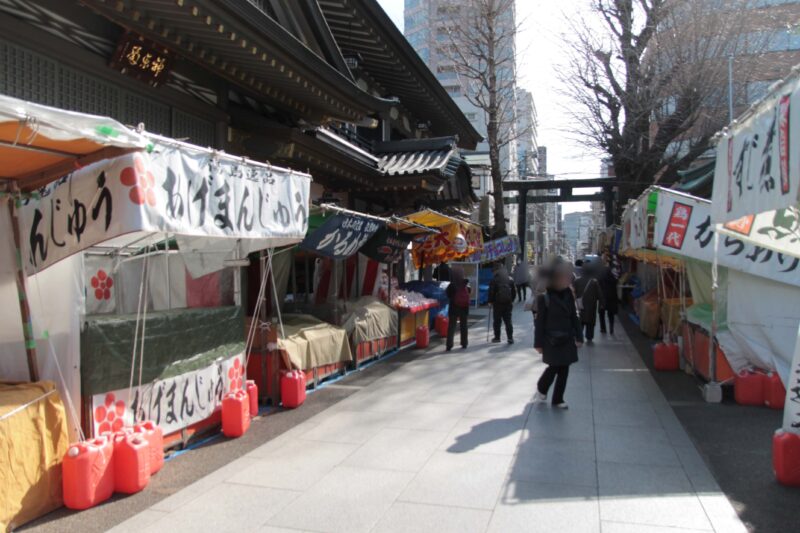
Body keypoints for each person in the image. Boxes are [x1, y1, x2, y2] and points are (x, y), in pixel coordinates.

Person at [534, 259, 584, 409]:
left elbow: (574, 316)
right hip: (551, 338)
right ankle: (542, 387)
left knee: (565, 368)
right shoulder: (545, 296)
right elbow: (540, 322)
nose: (567, 279)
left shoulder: (569, 294)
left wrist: (579, 337)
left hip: (567, 337)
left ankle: (558, 398)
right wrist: (538, 343)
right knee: (554, 366)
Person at [573, 262, 603, 344]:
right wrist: (601, 304)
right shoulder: (594, 282)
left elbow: (573, 293)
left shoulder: (577, 281)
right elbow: (599, 295)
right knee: (590, 321)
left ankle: (579, 335)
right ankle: (589, 336)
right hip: (591, 305)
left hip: (580, 305)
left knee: (580, 320)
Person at [488, 264, 515, 344]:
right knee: (508, 321)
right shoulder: (510, 279)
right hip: (508, 303)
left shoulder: (494, 280)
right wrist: (511, 300)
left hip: (498, 304)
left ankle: (497, 337)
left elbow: (491, 292)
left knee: (497, 321)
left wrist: (490, 301)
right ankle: (510, 338)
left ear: (496, 271)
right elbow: (514, 292)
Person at [445, 266, 470, 351]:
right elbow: (469, 293)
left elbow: (448, 295)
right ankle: (464, 343)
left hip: (453, 308)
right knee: (464, 326)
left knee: (452, 326)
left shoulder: (452, 285)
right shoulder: (466, 284)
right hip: (464, 308)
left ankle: (449, 345)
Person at [598, 254, 619, 335]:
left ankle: (603, 328)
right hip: (611, 295)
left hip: (602, 295)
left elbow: (598, 282)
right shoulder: (612, 271)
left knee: (601, 312)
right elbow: (616, 281)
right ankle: (611, 328)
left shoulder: (600, 271)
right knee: (611, 313)